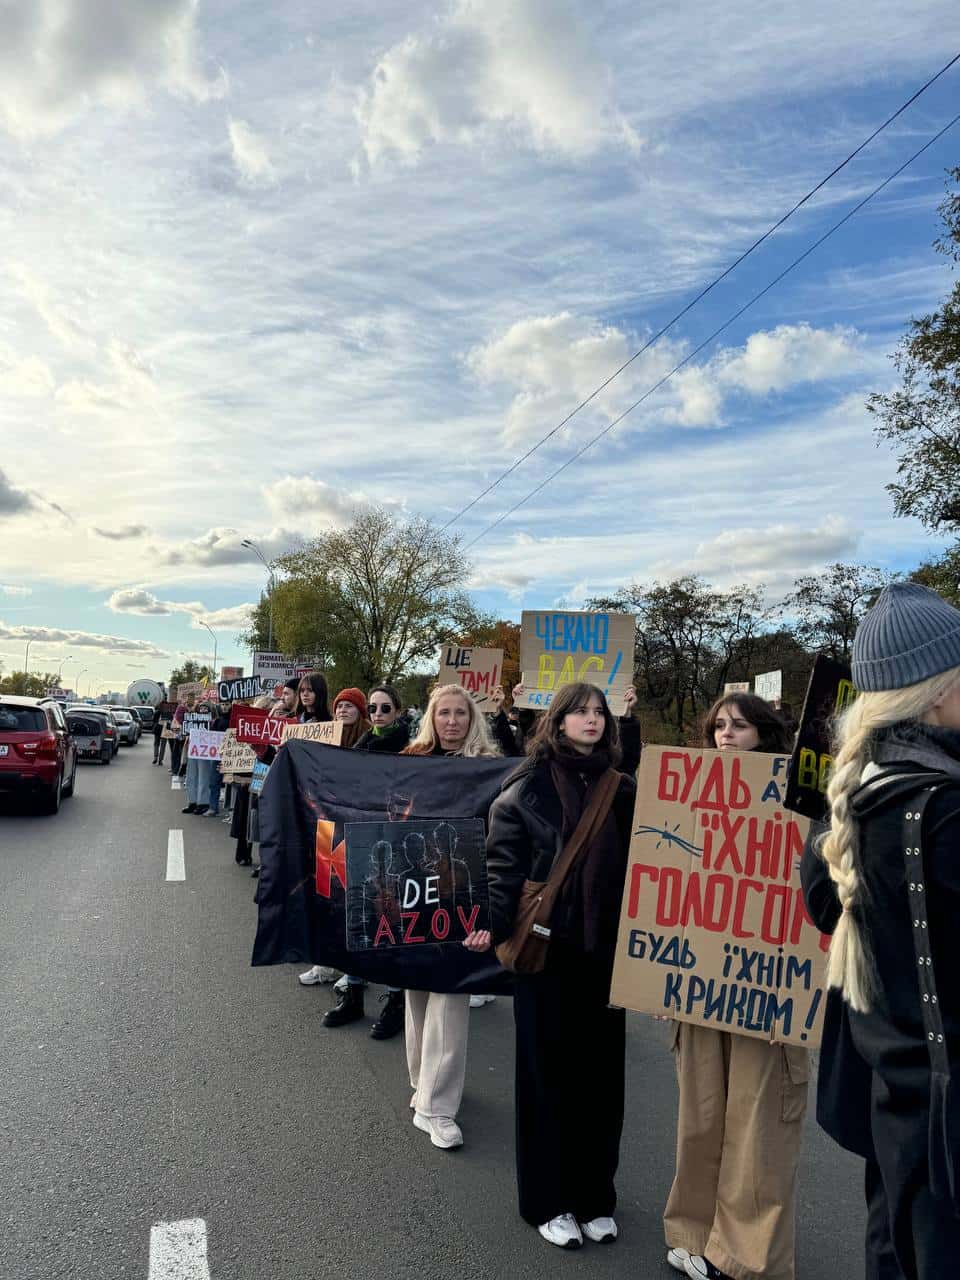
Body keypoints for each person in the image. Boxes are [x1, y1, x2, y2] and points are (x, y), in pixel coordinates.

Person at [811, 582, 960, 1280]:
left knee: (891, 1246)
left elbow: (821, 902)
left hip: (891, 1096)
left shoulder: (853, 796)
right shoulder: (945, 814)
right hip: (941, 1121)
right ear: (935, 693)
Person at [470, 682, 635, 1249]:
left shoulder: (624, 789)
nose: (591, 720)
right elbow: (504, 867)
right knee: (547, 1078)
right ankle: (547, 1199)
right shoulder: (527, 787)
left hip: (607, 955)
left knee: (601, 1082)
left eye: (600, 713)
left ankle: (594, 1196)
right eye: (580, 712)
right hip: (547, 954)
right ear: (557, 721)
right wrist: (489, 925)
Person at [664, 692, 805, 1280]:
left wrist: (799, 1000)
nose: (726, 734)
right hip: (701, 986)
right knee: (701, 1118)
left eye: (739, 725)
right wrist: (663, 980)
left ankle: (748, 1257)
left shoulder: (804, 800)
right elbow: (667, 883)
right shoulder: (687, 792)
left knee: (759, 1128)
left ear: (765, 733)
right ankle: (691, 1233)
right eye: (718, 725)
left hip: (768, 990)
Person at [396, 684, 501, 1151]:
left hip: (463, 890)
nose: (453, 721)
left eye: (461, 713)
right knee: (416, 987)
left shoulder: (491, 766)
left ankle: (438, 1108)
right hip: (415, 888)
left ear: (473, 719)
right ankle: (423, 1083)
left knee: (452, 993)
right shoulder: (410, 759)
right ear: (432, 719)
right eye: (444, 713)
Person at [316, 683, 409, 1034]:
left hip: (392, 840)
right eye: (373, 709)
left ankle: (395, 999)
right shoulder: (362, 745)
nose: (379, 715)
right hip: (358, 835)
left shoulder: (409, 747)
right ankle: (352, 993)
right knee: (356, 914)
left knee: (390, 919)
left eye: (386, 708)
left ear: (397, 711)